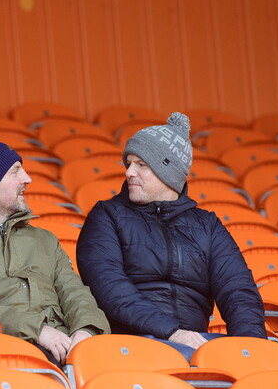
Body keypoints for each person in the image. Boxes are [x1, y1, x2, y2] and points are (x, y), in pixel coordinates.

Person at [75, 113, 266, 361]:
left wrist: (252, 350)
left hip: (193, 344)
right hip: (131, 345)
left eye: (141, 165)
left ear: (169, 173)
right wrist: (173, 332)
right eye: (129, 163)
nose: (129, 172)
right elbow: (110, 290)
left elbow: (238, 292)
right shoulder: (106, 215)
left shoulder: (207, 225)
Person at [0, 141, 110, 366]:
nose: (27, 179)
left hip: (65, 345)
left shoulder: (44, 239)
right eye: (15, 172)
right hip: (0, 349)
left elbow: (74, 291)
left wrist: (86, 329)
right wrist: (37, 329)